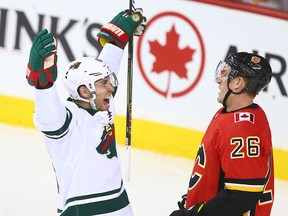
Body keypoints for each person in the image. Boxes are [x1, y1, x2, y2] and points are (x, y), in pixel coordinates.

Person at [25, 9, 146, 216]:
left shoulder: (101, 102)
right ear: (83, 91)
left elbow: (108, 69)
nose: (111, 88)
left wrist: (115, 42)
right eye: (103, 83)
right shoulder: (68, 122)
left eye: (109, 82)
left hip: (121, 206)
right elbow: (49, 117)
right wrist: (42, 85)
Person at [170, 52, 274, 216]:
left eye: (224, 74)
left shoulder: (242, 130)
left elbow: (241, 195)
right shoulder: (231, 115)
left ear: (238, 83)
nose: (219, 80)